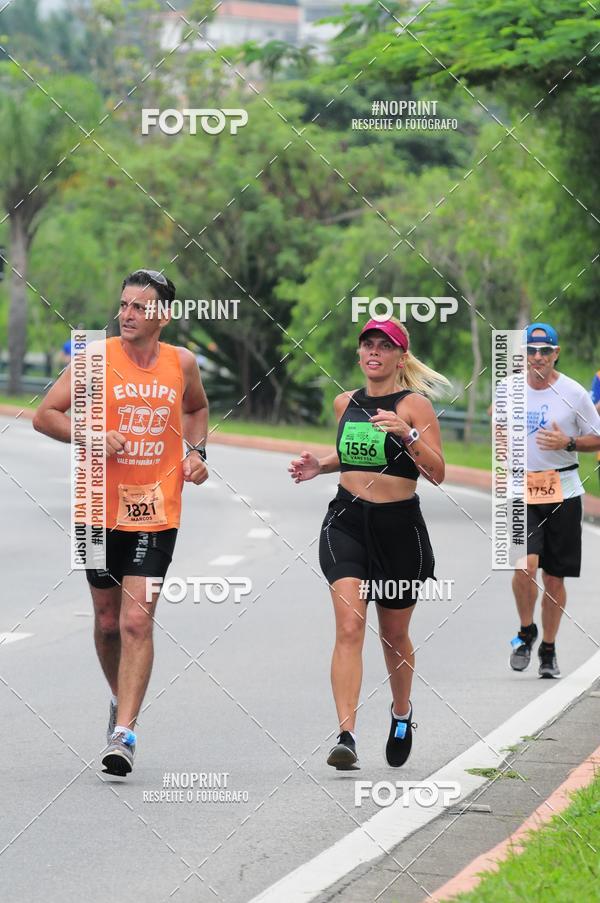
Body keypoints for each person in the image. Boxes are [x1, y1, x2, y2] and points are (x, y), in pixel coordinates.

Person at [33, 269, 209, 775]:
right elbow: (46, 414)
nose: (127, 314)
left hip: (156, 509)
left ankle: (124, 733)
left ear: (162, 315)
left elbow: (196, 409)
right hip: (95, 508)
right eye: (124, 305)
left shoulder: (182, 363)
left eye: (139, 307)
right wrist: (90, 433)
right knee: (108, 623)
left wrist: (196, 452)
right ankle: (120, 700)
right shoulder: (95, 358)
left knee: (136, 620)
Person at [289, 317, 449, 769]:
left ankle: (401, 713)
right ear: (359, 354)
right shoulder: (346, 402)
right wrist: (318, 466)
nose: (374, 352)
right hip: (347, 522)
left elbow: (437, 473)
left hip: (399, 528)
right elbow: (352, 454)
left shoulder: (415, 405)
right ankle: (346, 735)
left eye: (384, 346)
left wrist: (407, 433)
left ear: (401, 356)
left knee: (394, 634)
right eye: (367, 345)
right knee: (348, 626)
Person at [509, 323, 600, 678]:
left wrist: (570, 444)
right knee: (523, 567)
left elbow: (598, 437)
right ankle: (525, 628)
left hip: (564, 493)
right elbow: (500, 431)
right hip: (521, 493)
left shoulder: (574, 394)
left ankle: (547, 647)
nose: (537, 358)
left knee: (555, 579)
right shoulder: (508, 390)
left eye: (545, 351)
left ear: (556, 354)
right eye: (531, 351)